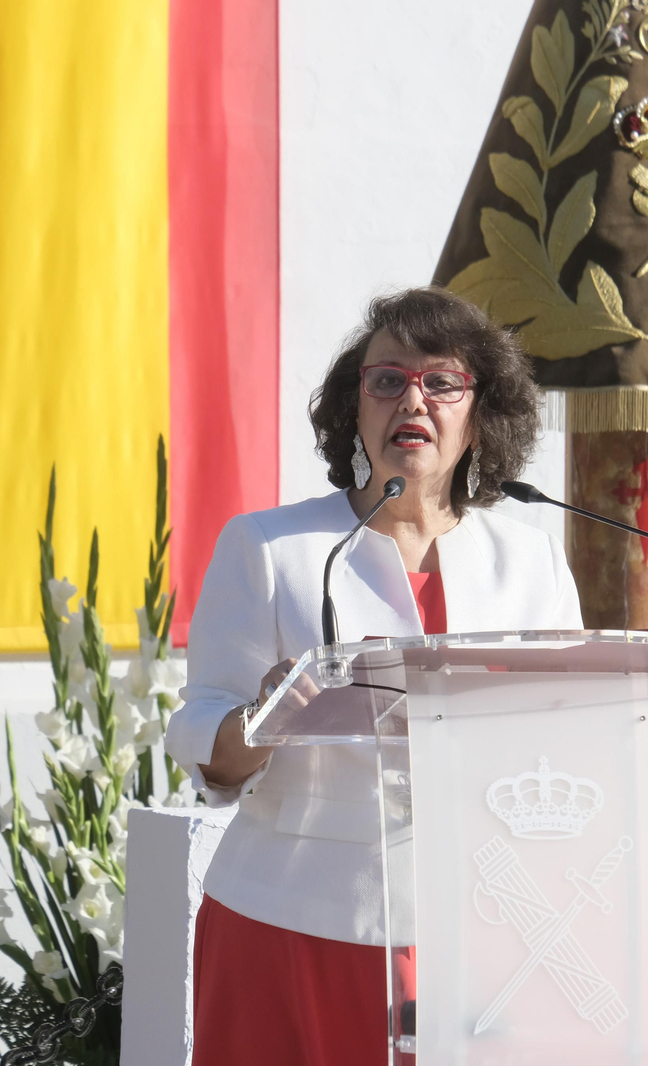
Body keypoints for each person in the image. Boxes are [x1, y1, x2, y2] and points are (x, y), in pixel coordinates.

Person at [165, 287, 583, 1065]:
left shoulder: (530, 561)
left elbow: (568, 731)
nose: (412, 400)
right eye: (386, 380)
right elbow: (200, 738)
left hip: (487, 930)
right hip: (291, 922)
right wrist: (264, 718)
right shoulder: (274, 548)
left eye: (442, 383)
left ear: (479, 413)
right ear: (354, 412)